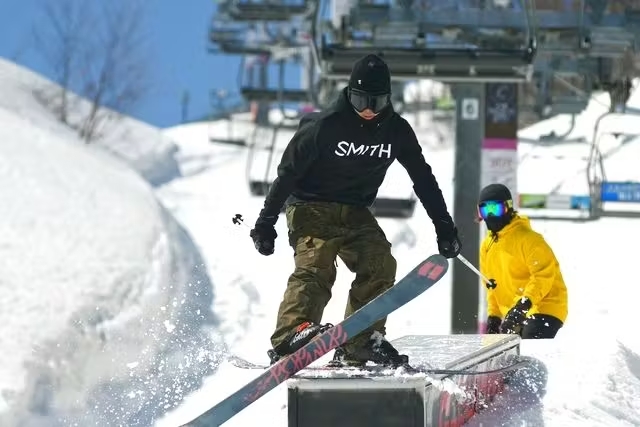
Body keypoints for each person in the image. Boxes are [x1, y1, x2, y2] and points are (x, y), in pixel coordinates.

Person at [248, 53, 461, 367]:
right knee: (317, 262)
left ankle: (360, 342)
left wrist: (444, 227)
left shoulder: (397, 131)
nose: (368, 111)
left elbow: (423, 179)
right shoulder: (324, 126)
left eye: (377, 103)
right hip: (310, 204)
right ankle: (290, 334)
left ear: (389, 99)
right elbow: (287, 173)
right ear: (349, 93)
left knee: (380, 263)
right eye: (361, 101)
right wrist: (266, 222)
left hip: (355, 211)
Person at [477, 183, 568, 339]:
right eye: (486, 210)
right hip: (514, 314)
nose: (491, 216)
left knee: (530, 341)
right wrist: (494, 317)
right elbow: (491, 285)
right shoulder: (487, 246)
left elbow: (542, 276)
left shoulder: (530, 240)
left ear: (509, 208)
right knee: (506, 354)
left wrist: (524, 305)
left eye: (496, 209)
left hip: (544, 308)